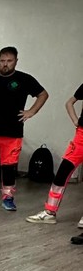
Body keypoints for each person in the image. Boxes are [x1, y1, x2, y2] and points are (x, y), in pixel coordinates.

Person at [0, 46, 48, 212]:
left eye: (9, 61)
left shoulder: (24, 79)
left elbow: (43, 94)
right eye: (2, 60)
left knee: (9, 166)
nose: (5, 64)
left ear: (16, 61)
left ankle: (8, 197)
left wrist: (31, 111)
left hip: (12, 132)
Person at [26, 84, 83, 233]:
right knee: (62, 173)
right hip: (81, 137)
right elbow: (69, 102)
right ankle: (49, 212)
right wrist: (76, 121)